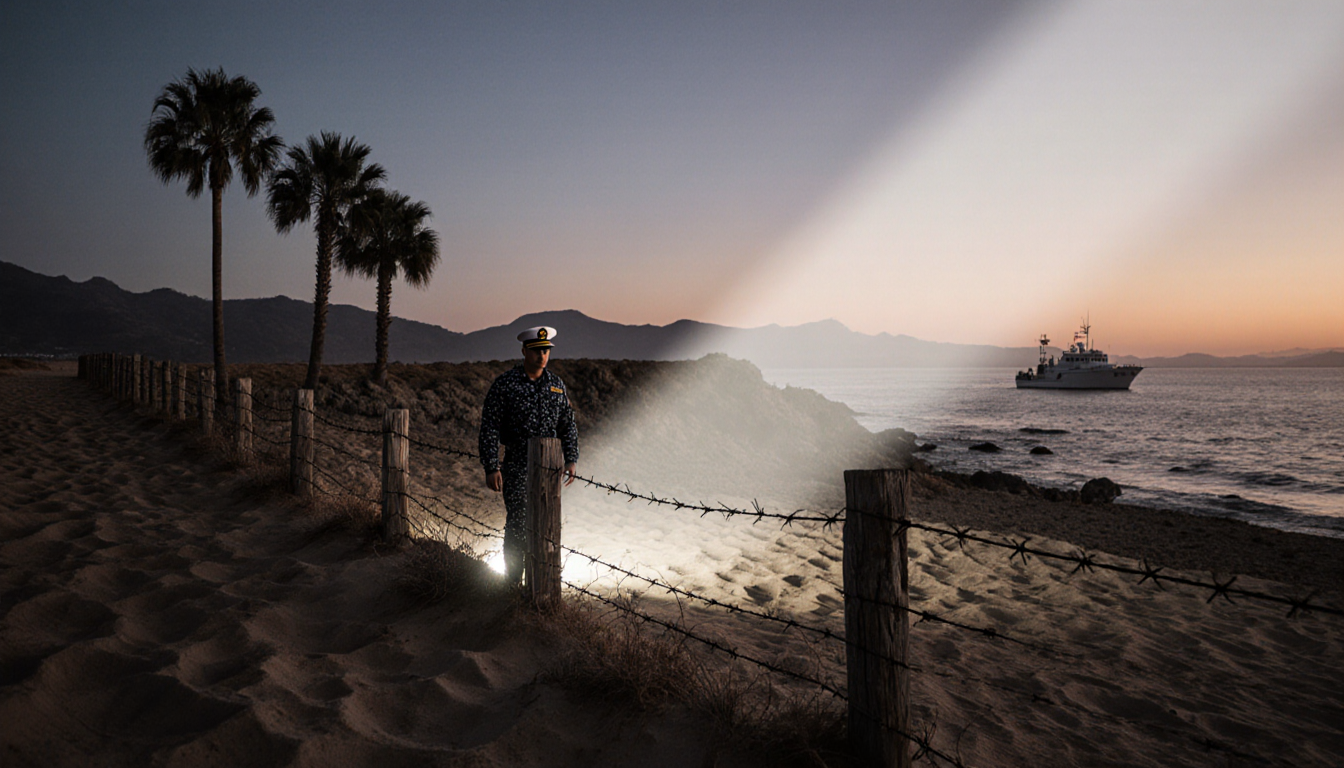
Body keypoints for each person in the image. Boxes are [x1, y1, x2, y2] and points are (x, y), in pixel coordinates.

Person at [478, 325, 579, 583]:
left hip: (549, 468)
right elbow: (490, 425)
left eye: (545, 350)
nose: (541, 355)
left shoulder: (556, 386)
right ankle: (512, 583)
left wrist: (571, 458)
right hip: (517, 466)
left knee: (546, 524)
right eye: (536, 350)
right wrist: (491, 466)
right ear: (524, 351)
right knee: (519, 524)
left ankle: (540, 585)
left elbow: (567, 423)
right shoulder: (506, 384)